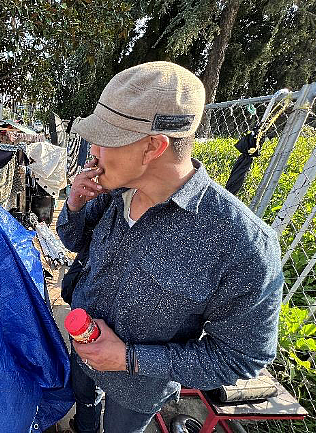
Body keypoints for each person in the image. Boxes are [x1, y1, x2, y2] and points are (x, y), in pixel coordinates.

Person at [56, 61, 283, 433]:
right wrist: (75, 205)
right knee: (82, 404)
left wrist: (129, 358)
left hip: (138, 388)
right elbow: (74, 241)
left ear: (153, 147)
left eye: (106, 140)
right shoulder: (114, 190)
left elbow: (241, 358)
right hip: (81, 348)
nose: (93, 152)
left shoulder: (242, 246)